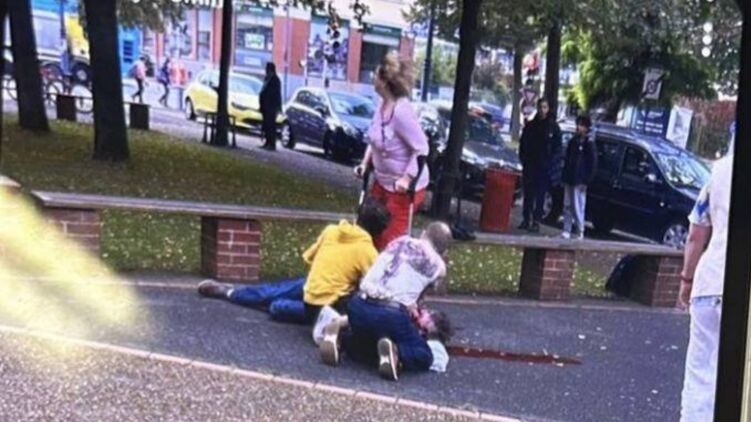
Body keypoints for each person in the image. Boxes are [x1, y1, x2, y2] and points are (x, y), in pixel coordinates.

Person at [197, 198, 390, 324]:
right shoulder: (368, 251)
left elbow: (310, 258)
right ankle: (268, 303)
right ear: (379, 231)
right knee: (279, 307)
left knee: (277, 289)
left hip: (313, 286)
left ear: (357, 217)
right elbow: (373, 286)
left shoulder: (332, 230)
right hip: (329, 304)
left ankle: (231, 292)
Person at [319, 222, 453, 381]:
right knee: (424, 355)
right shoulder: (438, 265)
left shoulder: (399, 241)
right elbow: (433, 291)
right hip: (390, 314)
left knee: (368, 338)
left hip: (358, 304)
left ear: (424, 233)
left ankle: (342, 340)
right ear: (444, 251)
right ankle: (397, 354)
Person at [355, 52, 429, 251]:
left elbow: (421, 147)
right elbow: (374, 139)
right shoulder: (381, 105)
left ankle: (387, 268)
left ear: (384, 81)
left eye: (376, 74)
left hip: (402, 189)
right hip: (382, 181)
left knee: (389, 240)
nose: (373, 78)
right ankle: (366, 265)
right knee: (367, 230)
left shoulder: (401, 111)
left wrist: (406, 179)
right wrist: (364, 164)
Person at [678, 153, 733, 422]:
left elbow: (696, 233)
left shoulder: (720, 170)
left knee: (699, 374)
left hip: (709, 282)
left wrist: (686, 279)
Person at [518, 98, 562, 233]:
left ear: (548, 109)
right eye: (540, 107)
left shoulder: (553, 128)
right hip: (530, 164)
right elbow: (523, 144)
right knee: (528, 194)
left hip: (544, 167)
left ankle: (536, 221)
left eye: (545, 107)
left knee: (540, 195)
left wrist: (551, 164)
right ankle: (526, 219)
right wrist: (524, 160)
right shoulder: (531, 126)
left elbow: (557, 148)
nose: (542, 110)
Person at [560, 114, 597, 239]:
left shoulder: (589, 143)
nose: (578, 127)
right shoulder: (573, 141)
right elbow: (567, 159)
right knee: (567, 204)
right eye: (578, 124)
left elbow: (592, 163)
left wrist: (586, 180)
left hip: (580, 180)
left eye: (581, 125)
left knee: (578, 205)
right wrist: (564, 175)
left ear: (586, 127)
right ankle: (566, 229)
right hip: (569, 177)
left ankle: (579, 229)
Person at [259, 62, 282, 151]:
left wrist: (277, 107)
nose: (266, 71)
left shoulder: (275, 80)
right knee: (266, 125)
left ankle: (271, 144)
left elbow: (276, 94)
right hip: (265, 106)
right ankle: (267, 142)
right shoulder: (267, 79)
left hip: (271, 107)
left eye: (267, 69)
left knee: (271, 125)